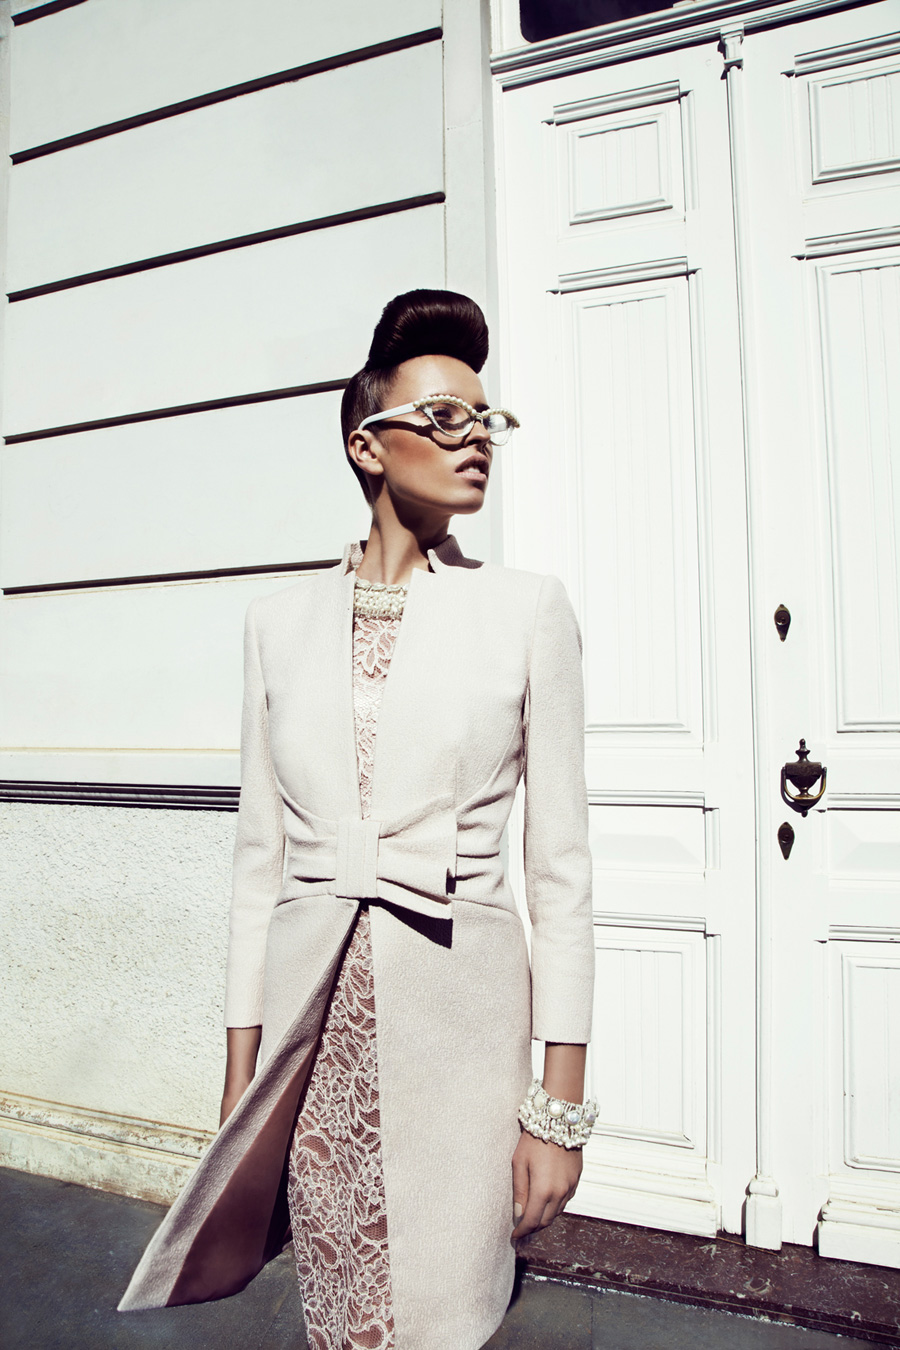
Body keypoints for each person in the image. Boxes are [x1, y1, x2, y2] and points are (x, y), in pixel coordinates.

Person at [119, 289, 596, 1350]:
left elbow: (560, 873)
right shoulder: (276, 624)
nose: (477, 439)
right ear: (367, 445)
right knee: (342, 1315)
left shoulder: (527, 611)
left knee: (448, 1314)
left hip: (464, 1037)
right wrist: (242, 1089)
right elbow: (257, 865)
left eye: (487, 419)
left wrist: (557, 1112)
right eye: (445, 417)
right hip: (316, 1044)